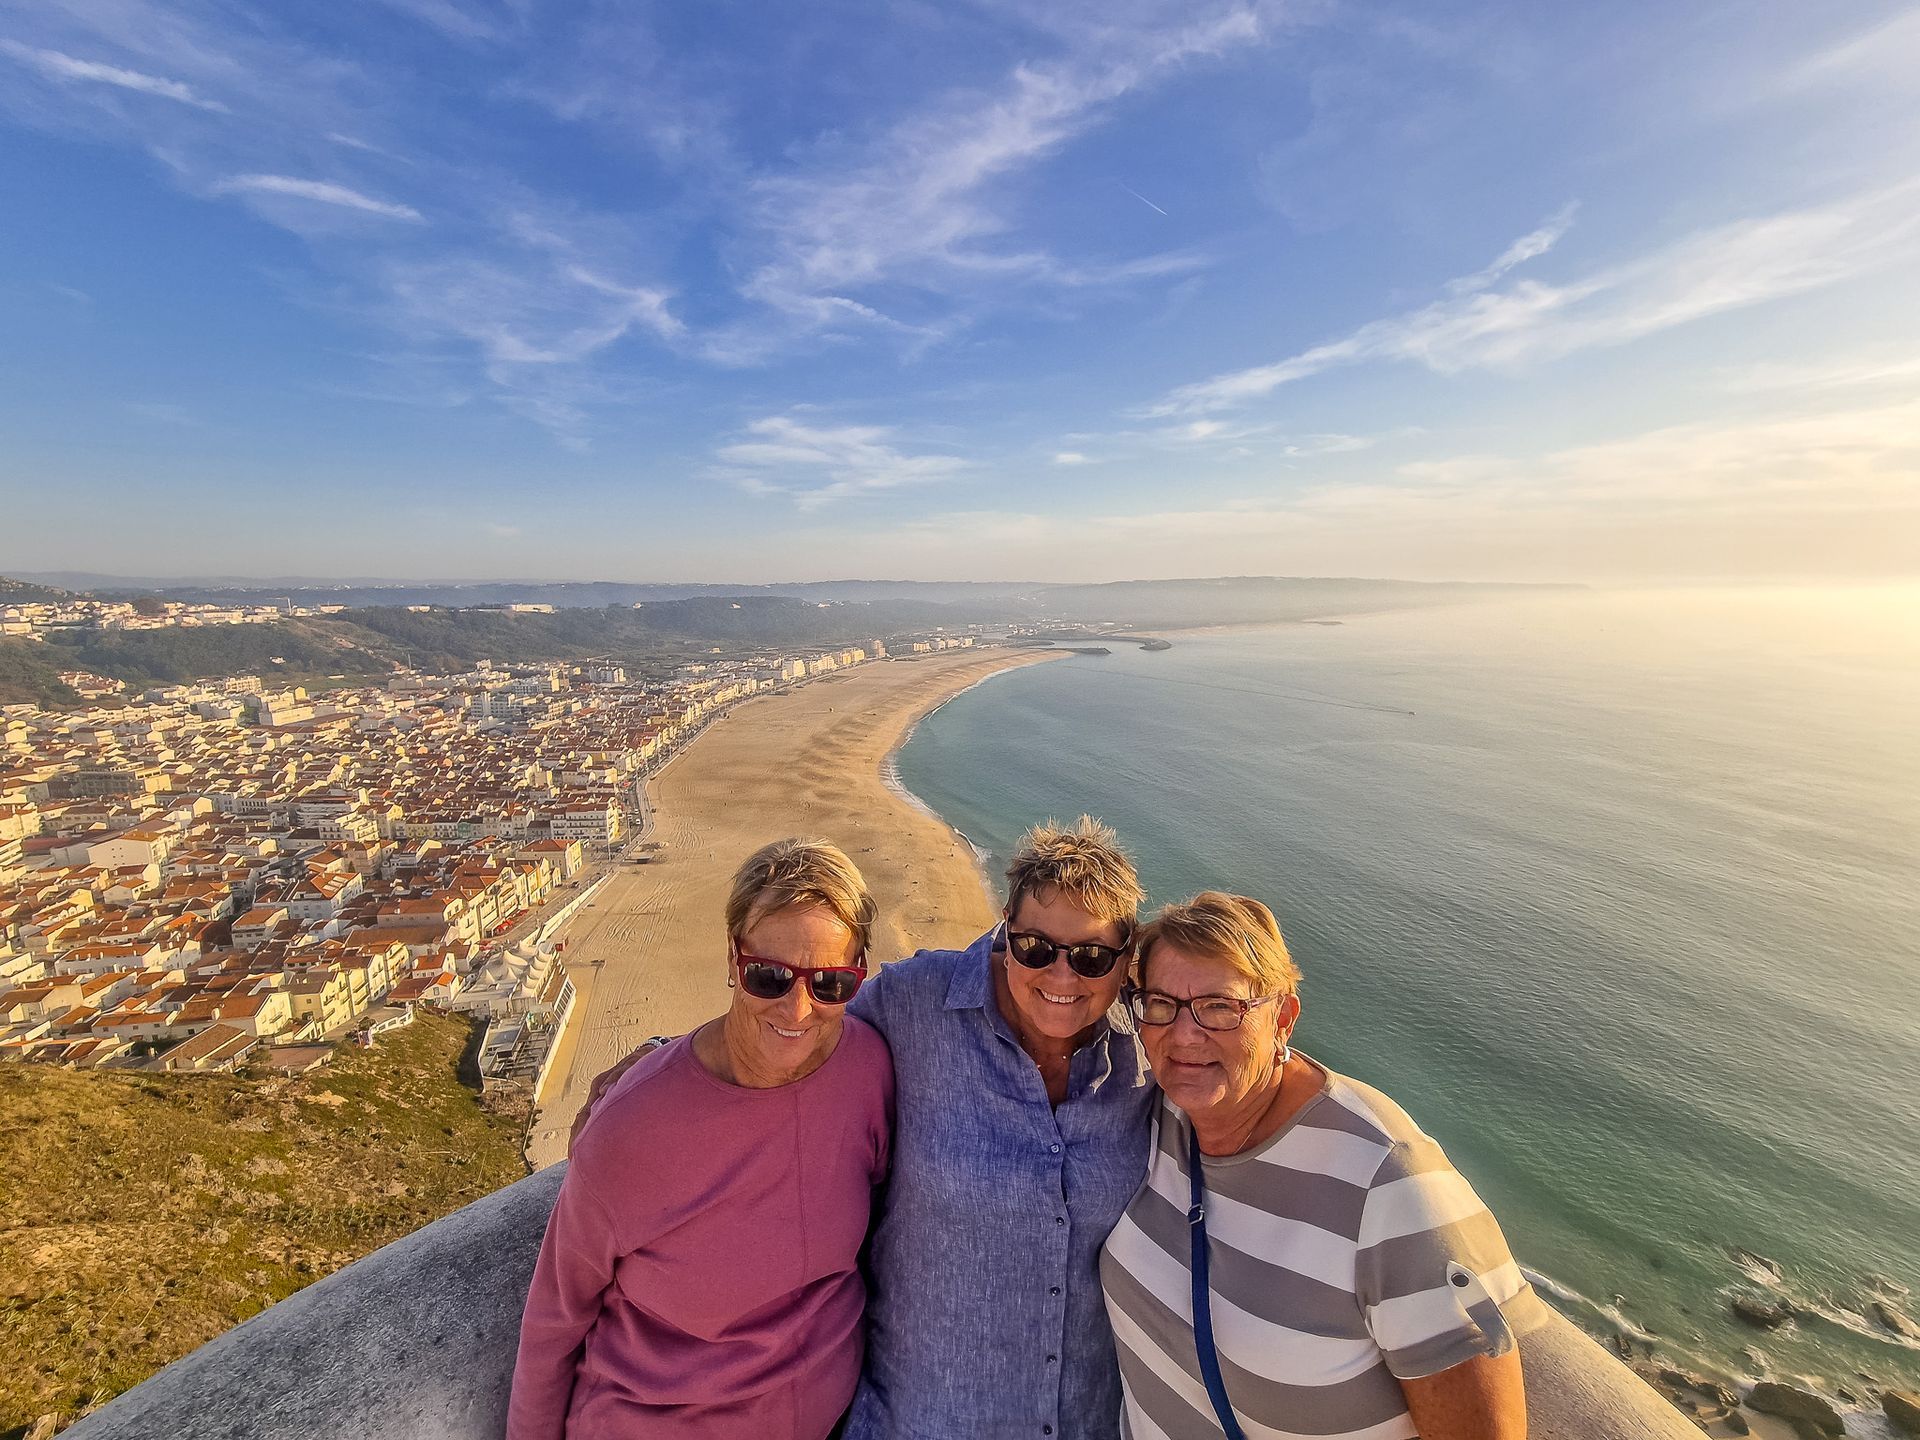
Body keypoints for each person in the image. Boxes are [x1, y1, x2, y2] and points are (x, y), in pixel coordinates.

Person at [572, 816, 1154, 1440]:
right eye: (1036, 948)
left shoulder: (1150, 1059)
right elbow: (798, 1021)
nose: (1061, 977)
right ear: (1004, 930)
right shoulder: (919, 1003)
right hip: (917, 1423)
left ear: (1125, 963)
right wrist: (668, 1058)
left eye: (1092, 958)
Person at [1100, 892, 1545, 1440]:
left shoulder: (1390, 1182)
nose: (1185, 1034)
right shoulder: (1161, 1113)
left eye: (1220, 1006)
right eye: (1162, 1004)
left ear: (1282, 1017)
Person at [508, 839, 893, 1440]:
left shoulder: (868, 1071)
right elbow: (556, 1316)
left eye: (831, 984)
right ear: (734, 960)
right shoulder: (633, 1126)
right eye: (769, 977)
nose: (798, 1009)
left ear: (858, 976)